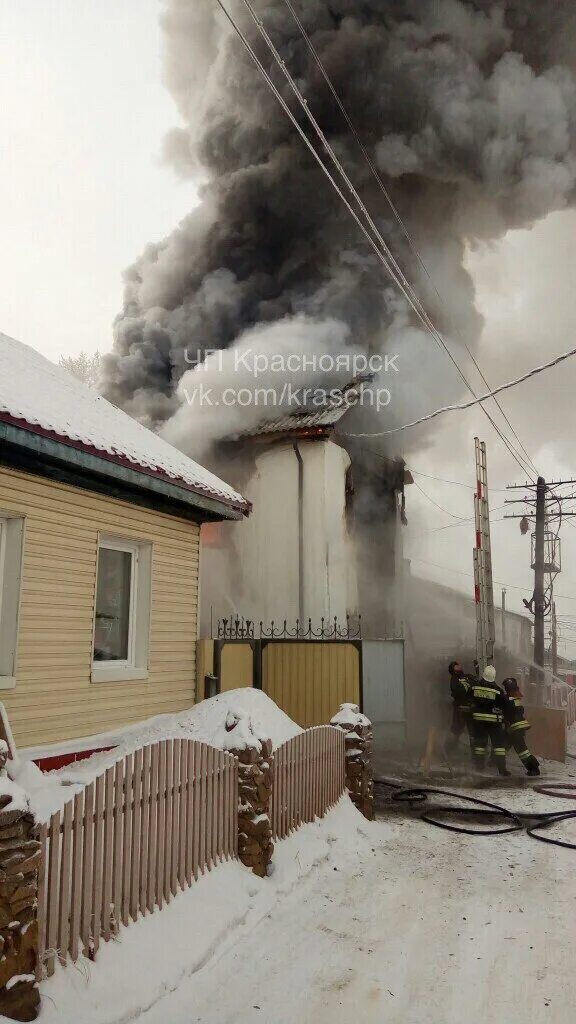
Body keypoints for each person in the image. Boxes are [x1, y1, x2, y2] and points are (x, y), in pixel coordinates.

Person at [470, 665, 511, 776]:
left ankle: (479, 767)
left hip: (478, 721)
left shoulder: (474, 687)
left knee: (479, 745)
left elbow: (469, 699)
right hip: (494, 723)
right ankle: (502, 770)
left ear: (483, 674)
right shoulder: (498, 691)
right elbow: (504, 706)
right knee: (498, 746)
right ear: (494, 676)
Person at [502, 678, 540, 777]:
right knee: (502, 747)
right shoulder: (514, 698)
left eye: (506, 688)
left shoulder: (507, 700)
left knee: (522, 751)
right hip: (515, 729)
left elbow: (507, 713)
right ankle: (494, 762)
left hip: (514, 729)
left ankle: (534, 768)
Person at [446, 660, 474, 756]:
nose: (459, 666)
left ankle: (475, 755)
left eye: (458, 664)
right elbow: (456, 691)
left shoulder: (467, 676)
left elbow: (475, 683)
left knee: (472, 732)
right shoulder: (454, 679)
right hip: (460, 708)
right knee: (456, 731)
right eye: (455, 665)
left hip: (470, 708)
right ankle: (448, 750)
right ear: (453, 669)